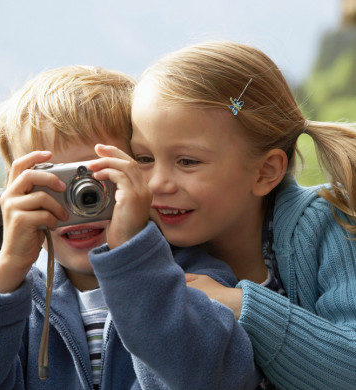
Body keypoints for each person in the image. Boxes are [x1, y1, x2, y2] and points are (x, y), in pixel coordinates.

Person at [0, 65, 260, 389]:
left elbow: (213, 379)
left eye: (98, 179)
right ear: (15, 189)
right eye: (51, 180)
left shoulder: (194, 282)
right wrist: (8, 269)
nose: (79, 199)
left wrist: (133, 259)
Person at [129, 40, 356, 390]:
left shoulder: (330, 224)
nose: (157, 183)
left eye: (187, 161)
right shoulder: (147, 250)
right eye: (143, 158)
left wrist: (239, 304)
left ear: (265, 172)